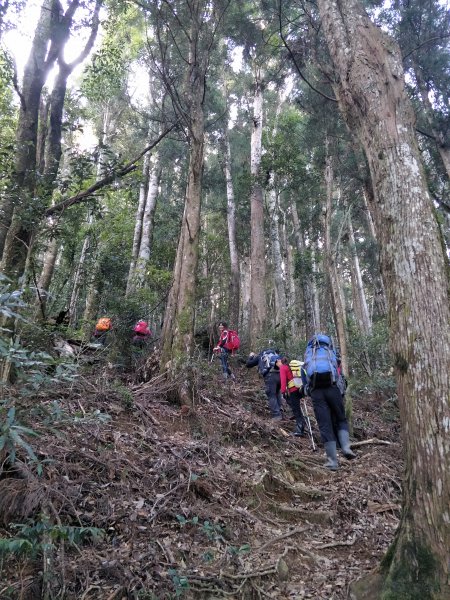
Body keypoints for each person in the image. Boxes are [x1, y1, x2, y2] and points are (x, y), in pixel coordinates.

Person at [303, 333, 356, 470]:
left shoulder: (309, 354)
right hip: (333, 389)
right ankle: (346, 448)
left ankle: (332, 461)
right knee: (341, 418)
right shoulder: (330, 353)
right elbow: (338, 374)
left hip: (316, 392)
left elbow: (305, 376)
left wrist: (308, 391)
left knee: (325, 425)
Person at [246, 348, 283, 421]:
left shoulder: (261, 356)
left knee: (271, 394)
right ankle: (280, 411)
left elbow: (248, 364)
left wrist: (251, 356)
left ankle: (277, 415)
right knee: (277, 392)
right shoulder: (276, 355)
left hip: (270, 376)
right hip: (281, 375)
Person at [277, 357, 306, 436]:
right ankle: (302, 421)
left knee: (295, 409)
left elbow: (283, 381)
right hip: (301, 388)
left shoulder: (283, 368)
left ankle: (300, 428)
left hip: (293, 390)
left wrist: (283, 392)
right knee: (296, 407)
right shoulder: (291, 367)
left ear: (281, 362)